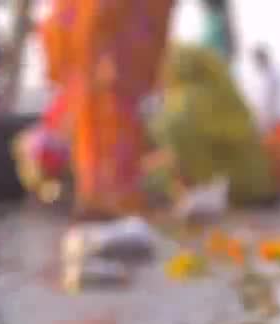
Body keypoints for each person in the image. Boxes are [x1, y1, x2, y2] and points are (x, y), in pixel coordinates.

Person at [39, 0, 177, 219]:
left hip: (113, 71)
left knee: (115, 131)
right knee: (98, 132)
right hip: (99, 70)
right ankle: (101, 198)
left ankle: (111, 198)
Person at [148, 45, 280, 207]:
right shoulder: (224, 93)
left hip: (229, 191)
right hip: (256, 187)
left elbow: (171, 139)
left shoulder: (188, 100)